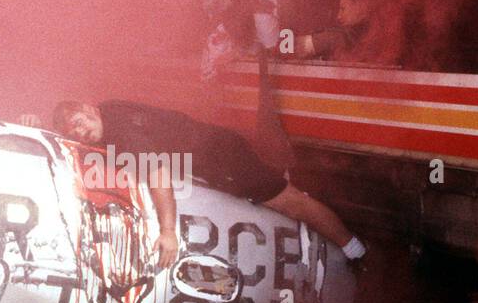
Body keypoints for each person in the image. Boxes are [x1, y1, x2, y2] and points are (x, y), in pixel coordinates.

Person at [52, 99, 367, 270]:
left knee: (293, 203)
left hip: (224, 160)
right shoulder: (110, 110)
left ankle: (355, 250)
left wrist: (168, 232)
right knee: (281, 204)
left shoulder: (123, 135)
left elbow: (158, 175)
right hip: (214, 154)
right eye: (73, 132)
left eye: (79, 123)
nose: (80, 133)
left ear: (89, 109)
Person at [200, 0, 280, 86]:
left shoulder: (248, 21)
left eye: (233, 1)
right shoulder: (269, 19)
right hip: (265, 77)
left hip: (245, 81)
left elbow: (253, 47)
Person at [297, 0, 369, 63]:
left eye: (343, 9)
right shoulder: (371, 32)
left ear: (359, 6)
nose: (339, 16)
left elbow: (296, 47)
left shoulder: (339, 38)